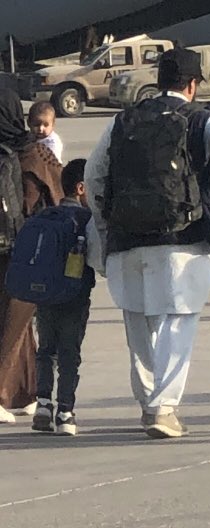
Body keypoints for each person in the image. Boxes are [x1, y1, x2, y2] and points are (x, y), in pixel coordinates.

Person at [84, 48, 210, 438]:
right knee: (178, 321)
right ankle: (164, 408)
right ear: (192, 84)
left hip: (128, 236)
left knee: (138, 323)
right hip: (184, 238)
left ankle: (148, 405)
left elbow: (94, 174)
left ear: (158, 80)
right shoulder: (200, 119)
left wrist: (107, 221)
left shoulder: (122, 121)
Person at [0, 83, 66, 417]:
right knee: (16, 323)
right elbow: (59, 197)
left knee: (15, 323)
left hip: (10, 248)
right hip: (27, 252)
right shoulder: (36, 153)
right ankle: (11, 392)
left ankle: (21, 392)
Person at [28, 158, 93, 435]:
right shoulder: (86, 220)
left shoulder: (45, 216)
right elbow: (96, 259)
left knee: (46, 350)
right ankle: (65, 411)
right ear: (80, 188)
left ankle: (43, 404)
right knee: (69, 354)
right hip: (75, 298)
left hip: (44, 296)